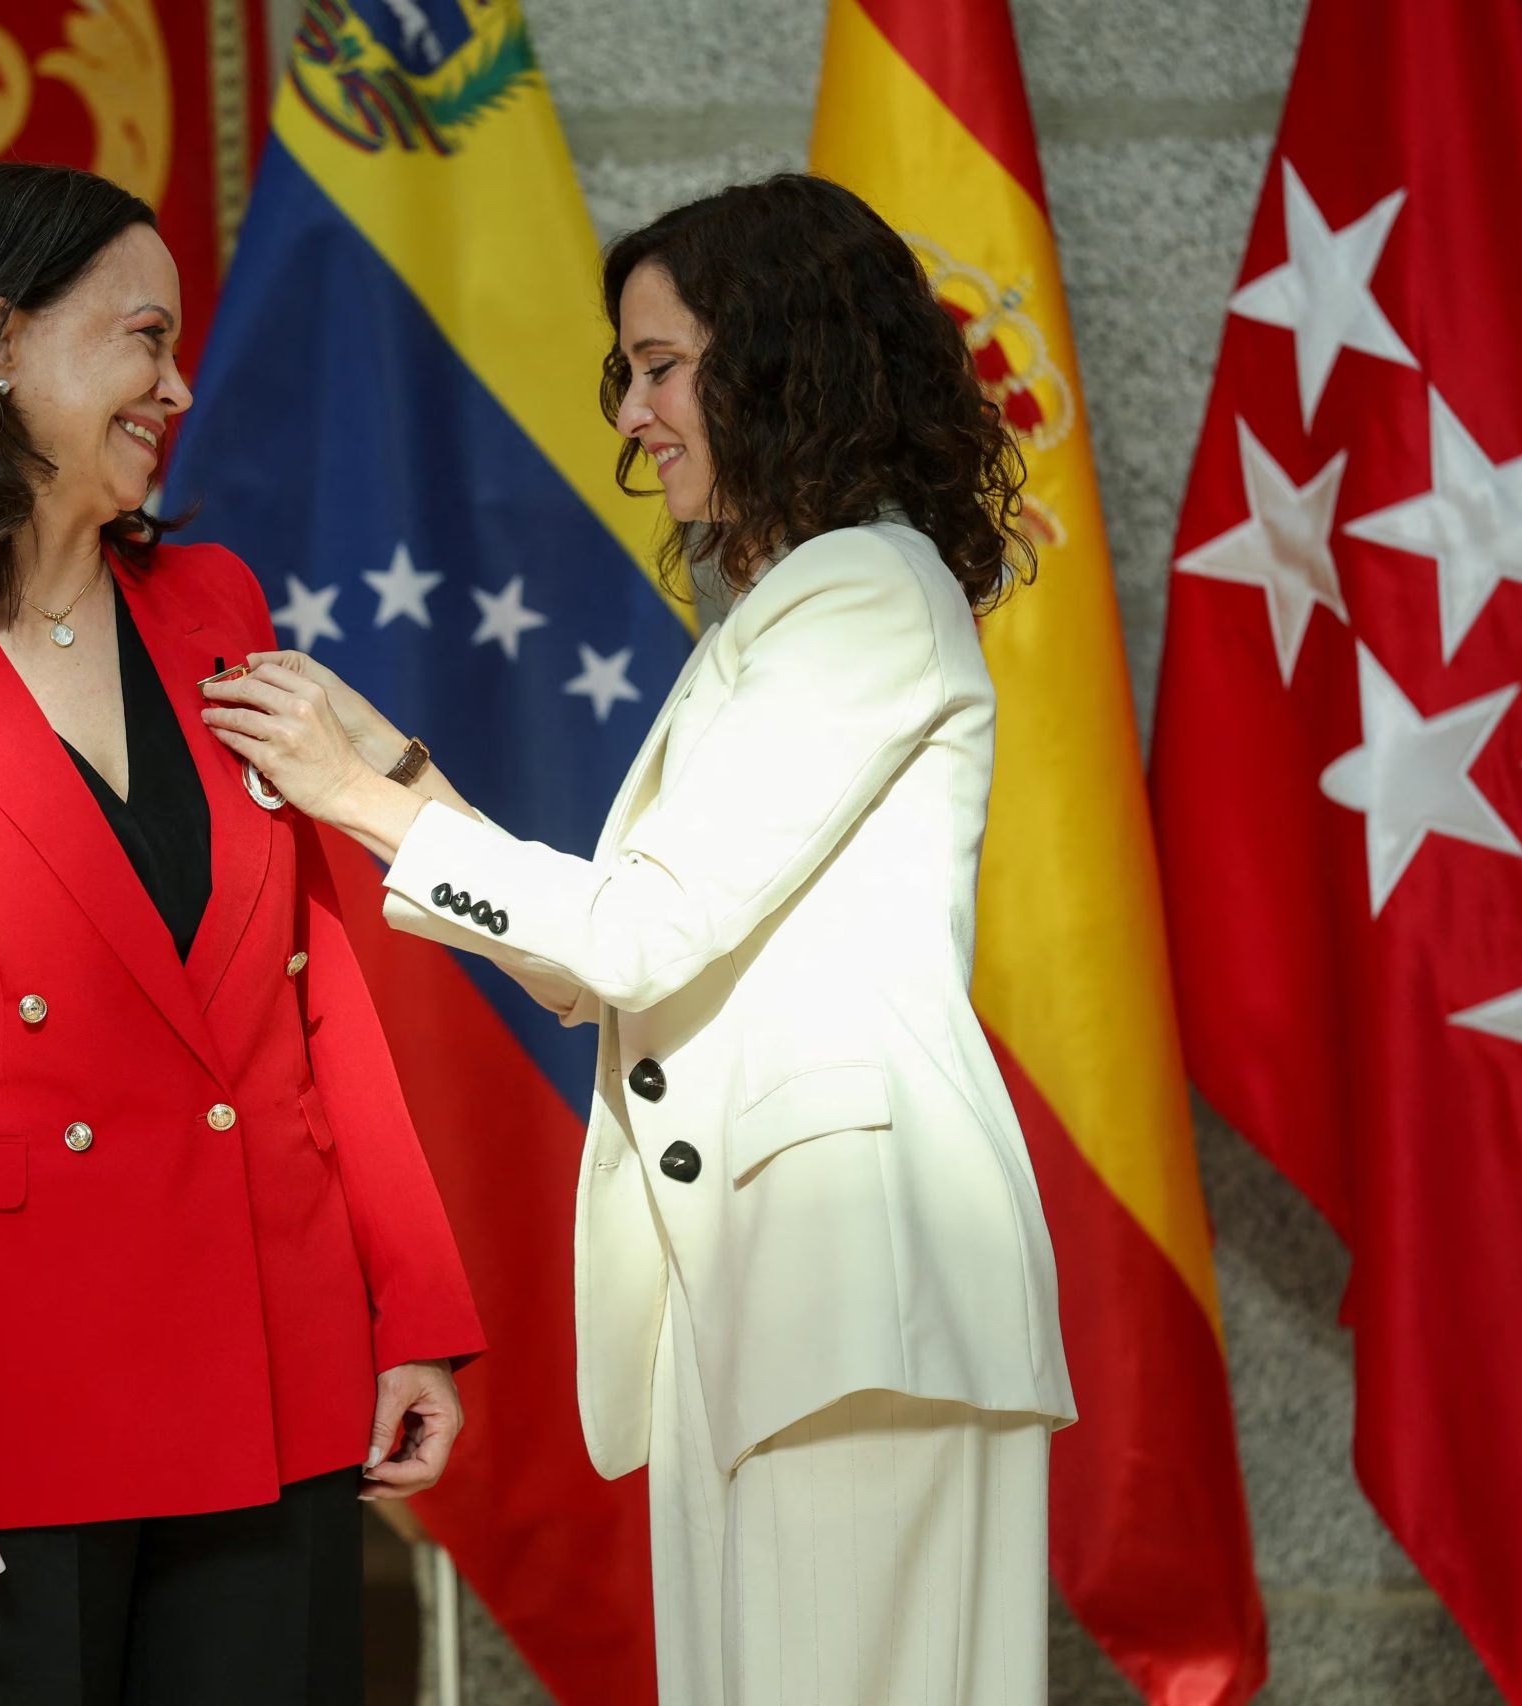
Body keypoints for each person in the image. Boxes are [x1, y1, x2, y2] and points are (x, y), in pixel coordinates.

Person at [201, 174, 1077, 1705]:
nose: (636, 415)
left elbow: (636, 936)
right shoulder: (792, 608)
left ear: (782, 360)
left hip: (857, 1294)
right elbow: (597, 953)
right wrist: (395, 779)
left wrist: (361, 794)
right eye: (632, 373)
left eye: (662, 364)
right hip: (772, 1307)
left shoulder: (865, 590)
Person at [0, 160, 484, 1706]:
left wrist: (415, 1310)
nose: (176, 384)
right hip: (10, 1411)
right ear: (1, 342)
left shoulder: (213, 603)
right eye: (144, 339)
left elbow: (306, 982)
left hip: (275, 1359)